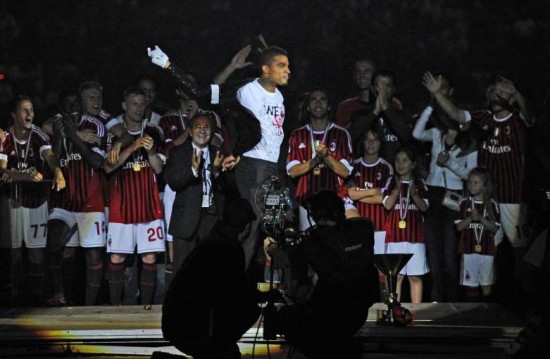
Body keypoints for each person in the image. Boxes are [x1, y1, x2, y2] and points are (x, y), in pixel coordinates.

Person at [147, 44, 290, 278]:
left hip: (271, 170)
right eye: (281, 66)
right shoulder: (245, 91)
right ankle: (231, 282)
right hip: (252, 168)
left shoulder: (281, 96)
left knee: (277, 227)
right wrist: (168, 65)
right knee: (249, 228)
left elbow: (268, 135)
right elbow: (201, 94)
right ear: (266, 68)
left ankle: (269, 286)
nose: (288, 71)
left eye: (288, 66)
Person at [423, 72, 532, 279]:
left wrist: (517, 94)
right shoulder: (484, 118)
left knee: (519, 252)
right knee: (488, 250)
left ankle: (524, 301)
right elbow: (456, 114)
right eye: (495, 90)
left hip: (512, 198)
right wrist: (437, 93)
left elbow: (529, 115)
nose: (496, 95)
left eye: (503, 91)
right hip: (487, 198)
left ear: (511, 97)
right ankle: (492, 298)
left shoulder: (517, 122)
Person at [265, 190, 378, 359]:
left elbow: (286, 260)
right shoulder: (364, 227)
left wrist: (272, 248)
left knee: (283, 319)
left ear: (315, 215)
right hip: (359, 310)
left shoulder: (313, 242)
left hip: (330, 312)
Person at [159, 197, 274, 359]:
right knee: (249, 309)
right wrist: (262, 296)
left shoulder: (211, 243)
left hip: (177, 322)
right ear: (244, 227)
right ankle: (217, 346)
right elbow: (235, 293)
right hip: (193, 327)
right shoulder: (226, 250)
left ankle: (217, 344)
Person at [413, 73, 478, 302]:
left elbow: (472, 175)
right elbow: (416, 133)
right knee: (433, 250)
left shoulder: (469, 141)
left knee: (450, 253)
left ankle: (452, 299)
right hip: (433, 193)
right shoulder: (437, 133)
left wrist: (448, 163)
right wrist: (431, 105)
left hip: (454, 196)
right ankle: (436, 297)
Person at [0, 95, 65, 306]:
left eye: (32, 110)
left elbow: (49, 155)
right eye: (24, 110)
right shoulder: (5, 137)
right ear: (13, 114)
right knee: (15, 253)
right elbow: (2, 173)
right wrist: (26, 176)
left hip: (37, 200)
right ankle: (14, 300)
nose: (30, 114)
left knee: (37, 252)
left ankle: (36, 300)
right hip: (13, 202)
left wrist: (57, 170)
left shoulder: (37, 134)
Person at [104, 87, 166, 306]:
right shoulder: (111, 132)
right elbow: (108, 168)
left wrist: (149, 151)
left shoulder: (154, 131)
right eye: (134, 104)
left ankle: (147, 308)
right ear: (124, 105)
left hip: (148, 204)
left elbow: (158, 169)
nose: (139, 108)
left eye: (142, 104)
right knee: (117, 258)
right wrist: (131, 147)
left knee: (149, 258)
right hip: (122, 205)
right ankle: (114, 307)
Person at [46, 91, 107, 306]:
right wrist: (62, 137)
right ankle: (61, 295)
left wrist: (74, 135)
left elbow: (97, 162)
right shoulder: (57, 124)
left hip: (90, 200)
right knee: (54, 239)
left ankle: (90, 305)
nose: (73, 107)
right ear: (61, 108)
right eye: (68, 103)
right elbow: (53, 160)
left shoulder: (95, 125)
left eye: (76, 103)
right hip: (64, 199)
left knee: (93, 257)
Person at [164, 113, 224, 273]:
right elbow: (174, 183)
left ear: (212, 132)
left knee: (209, 268)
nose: (202, 130)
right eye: (198, 126)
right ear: (190, 132)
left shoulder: (218, 153)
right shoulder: (178, 153)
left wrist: (217, 172)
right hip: (186, 219)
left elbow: (229, 188)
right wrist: (193, 170)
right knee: (182, 269)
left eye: (207, 127)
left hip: (212, 218)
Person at [286, 88, 353, 231]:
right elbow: (292, 172)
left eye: (322, 99)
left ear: (329, 106)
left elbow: (345, 172)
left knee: (335, 246)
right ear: (308, 107)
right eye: (313, 99)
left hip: (335, 199)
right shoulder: (297, 135)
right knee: (311, 246)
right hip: (307, 201)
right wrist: (316, 160)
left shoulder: (341, 134)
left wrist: (327, 157)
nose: (318, 103)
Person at [383, 146, 429, 303]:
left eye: (404, 160)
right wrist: (396, 190)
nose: (400, 164)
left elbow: (424, 207)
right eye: (397, 160)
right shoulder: (390, 182)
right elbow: (388, 205)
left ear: (413, 164)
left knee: (415, 277)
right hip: (395, 237)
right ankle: (394, 309)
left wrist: (414, 194)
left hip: (415, 237)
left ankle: (417, 312)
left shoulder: (420, 183)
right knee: (396, 276)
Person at [455, 167, 500, 301]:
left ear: (485, 185)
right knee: (471, 285)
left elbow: (494, 228)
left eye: (476, 182)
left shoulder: (492, 204)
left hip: (487, 250)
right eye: (470, 182)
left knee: (486, 284)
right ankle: (473, 314)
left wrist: (480, 218)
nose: (471, 185)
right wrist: (470, 218)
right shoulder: (464, 203)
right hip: (468, 250)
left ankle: (486, 312)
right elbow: (458, 227)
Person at [348, 69, 411, 164]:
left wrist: (386, 108)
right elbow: (349, 138)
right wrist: (375, 112)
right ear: (373, 88)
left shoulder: (402, 115)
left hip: (395, 172)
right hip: (366, 172)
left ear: (393, 90)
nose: (382, 90)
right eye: (379, 86)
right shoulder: (360, 114)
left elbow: (407, 137)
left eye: (387, 86)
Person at [348, 126, 394, 254]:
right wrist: (373, 191)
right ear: (362, 142)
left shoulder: (386, 168)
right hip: (356, 225)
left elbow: (383, 199)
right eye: (368, 139)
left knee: (379, 267)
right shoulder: (352, 166)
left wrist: (356, 193)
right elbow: (347, 195)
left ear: (380, 143)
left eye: (375, 140)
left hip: (379, 226)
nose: (371, 143)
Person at [335, 59, 376, 128]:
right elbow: (340, 135)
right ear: (354, 76)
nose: (362, 75)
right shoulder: (345, 107)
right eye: (358, 72)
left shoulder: (389, 104)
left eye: (367, 71)